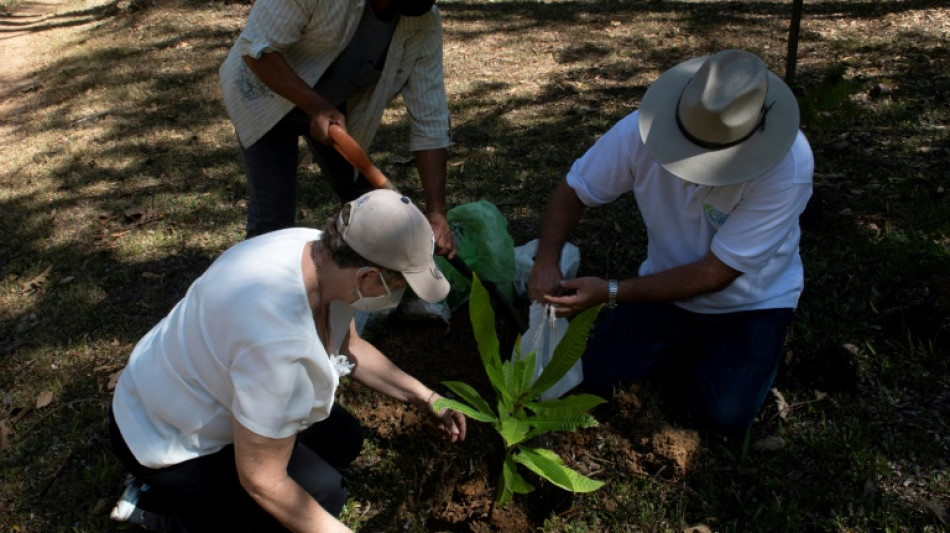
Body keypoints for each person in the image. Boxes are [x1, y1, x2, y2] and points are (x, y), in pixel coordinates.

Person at [109, 189, 466, 532]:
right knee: (323, 495)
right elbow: (263, 480)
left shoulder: (319, 251)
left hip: (185, 384)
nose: (398, 296)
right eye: (400, 285)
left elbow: (348, 346)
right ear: (368, 276)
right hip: (165, 438)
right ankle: (160, 510)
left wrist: (427, 397)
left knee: (344, 440)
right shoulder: (275, 343)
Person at [527, 49, 814, 436]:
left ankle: (743, 357)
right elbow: (576, 189)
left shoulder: (788, 165)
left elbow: (716, 272)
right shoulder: (639, 132)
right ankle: (688, 354)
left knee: (721, 419)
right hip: (662, 290)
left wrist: (612, 292)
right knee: (599, 380)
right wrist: (546, 259)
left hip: (752, 302)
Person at [219, 0, 456, 259]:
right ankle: (256, 290)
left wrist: (436, 212)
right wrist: (316, 106)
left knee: (370, 204)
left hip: (335, 110)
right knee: (272, 222)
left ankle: (365, 283)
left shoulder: (424, 21)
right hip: (266, 95)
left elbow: (430, 118)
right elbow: (257, 49)